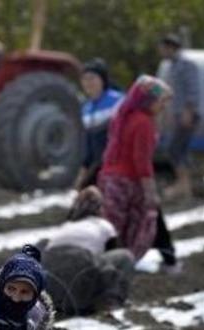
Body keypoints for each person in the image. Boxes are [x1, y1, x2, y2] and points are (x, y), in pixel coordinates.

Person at [98, 75, 172, 262]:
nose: (163, 107)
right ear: (148, 100)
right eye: (161, 102)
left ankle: (104, 263)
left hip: (110, 179)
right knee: (137, 227)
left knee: (111, 227)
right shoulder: (144, 122)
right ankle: (122, 263)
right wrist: (150, 191)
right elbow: (141, 160)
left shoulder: (122, 116)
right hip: (128, 181)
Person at [44, 186, 135, 314]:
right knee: (126, 257)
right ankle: (110, 303)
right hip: (79, 269)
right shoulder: (103, 225)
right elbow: (112, 257)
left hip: (50, 285)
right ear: (99, 208)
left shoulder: (66, 226)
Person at [157, 33, 200, 200]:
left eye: (163, 48)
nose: (161, 52)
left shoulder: (186, 65)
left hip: (187, 113)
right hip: (179, 113)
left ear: (170, 47)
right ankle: (185, 187)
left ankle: (182, 185)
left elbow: (193, 89)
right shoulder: (173, 66)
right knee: (180, 150)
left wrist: (188, 111)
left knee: (175, 149)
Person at [74, 58, 124, 191]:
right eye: (85, 79)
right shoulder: (86, 108)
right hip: (98, 166)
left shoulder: (118, 101)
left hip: (117, 165)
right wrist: (83, 173)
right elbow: (89, 144)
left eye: (92, 78)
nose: (88, 83)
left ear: (102, 80)